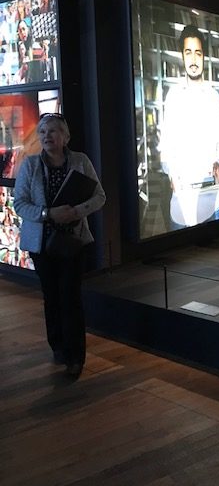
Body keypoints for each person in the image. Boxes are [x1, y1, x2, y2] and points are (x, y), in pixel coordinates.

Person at [14, 113, 106, 379]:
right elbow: (19, 204)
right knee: (52, 296)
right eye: (43, 132)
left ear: (65, 137)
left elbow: (100, 196)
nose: (47, 136)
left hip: (73, 241)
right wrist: (48, 214)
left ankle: (76, 357)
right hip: (42, 244)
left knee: (71, 297)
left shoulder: (80, 161)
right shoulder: (30, 165)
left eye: (53, 131)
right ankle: (58, 346)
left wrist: (76, 212)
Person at [160, 24, 219, 228]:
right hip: (181, 205)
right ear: (182, 56)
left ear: (204, 56)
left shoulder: (214, 97)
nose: (193, 59)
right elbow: (166, 147)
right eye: (188, 52)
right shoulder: (173, 97)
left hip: (212, 202)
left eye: (198, 53)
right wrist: (171, 173)